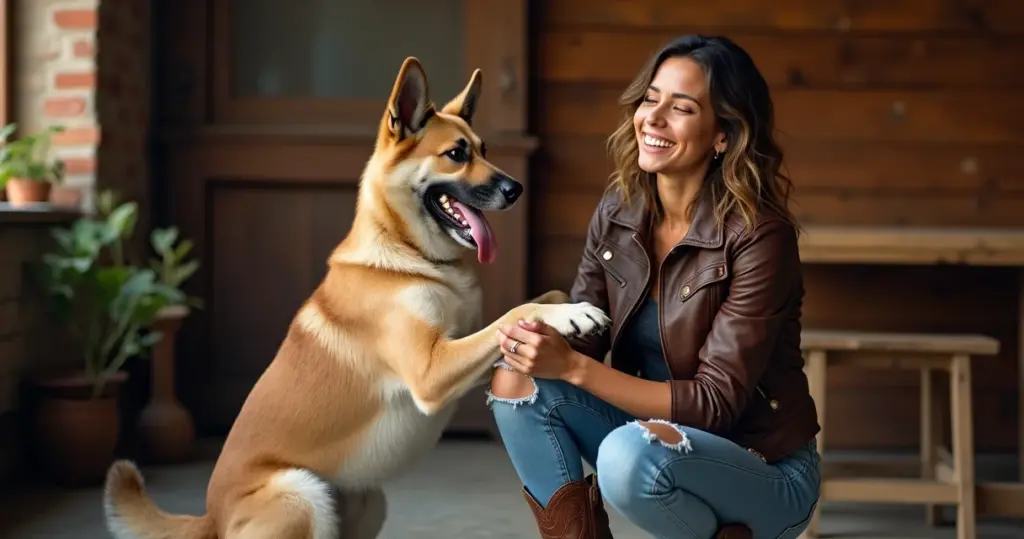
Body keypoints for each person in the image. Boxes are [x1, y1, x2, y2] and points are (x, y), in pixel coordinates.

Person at [486, 35, 821, 539]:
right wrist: (540, 344)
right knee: (516, 383)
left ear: (723, 135)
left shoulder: (759, 236)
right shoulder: (620, 211)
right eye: (650, 99)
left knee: (627, 455)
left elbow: (714, 405)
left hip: (761, 468)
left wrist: (573, 367)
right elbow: (585, 336)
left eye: (681, 108)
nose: (653, 119)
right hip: (655, 443)